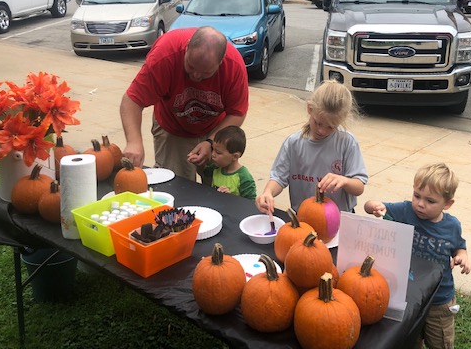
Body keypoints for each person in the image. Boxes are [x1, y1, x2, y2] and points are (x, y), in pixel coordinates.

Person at [364, 162, 471, 349]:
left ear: (447, 204)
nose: (420, 204)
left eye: (430, 201)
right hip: (410, 294)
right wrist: (373, 205)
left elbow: (459, 248)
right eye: (417, 196)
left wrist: (462, 257)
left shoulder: (451, 226)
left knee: (440, 342)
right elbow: (367, 206)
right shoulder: (405, 211)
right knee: (410, 338)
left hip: (440, 299)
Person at [120, 26, 249, 181]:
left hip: (216, 129)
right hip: (173, 127)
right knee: (175, 185)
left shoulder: (233, 66)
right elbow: (132, 101)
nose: (195, 75)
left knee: (217, 189)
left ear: (221, 62)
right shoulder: (165, 55)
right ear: (187, 47)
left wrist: (211, 142)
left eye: (206, 73)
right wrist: (134, 142)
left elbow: (237, 112)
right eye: (191, 66)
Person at [255, 80, 367, 215]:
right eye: (318, 123)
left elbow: (359, 187)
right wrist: (268, 192)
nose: (322, 131)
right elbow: (278, 178)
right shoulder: (294, 143)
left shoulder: (347, 142)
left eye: (331, 127)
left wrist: (344, 181)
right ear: (310, 109)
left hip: (339, 218)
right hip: (304, 217)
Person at [199, 125, 256, 200]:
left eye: (218, 152)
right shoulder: (216, 167)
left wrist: (231, 198)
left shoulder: (244, 177)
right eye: (213, 149)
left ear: (235, 156)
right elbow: (204, 173)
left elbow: (250, 202)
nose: (213, 154)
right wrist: (198, 161)